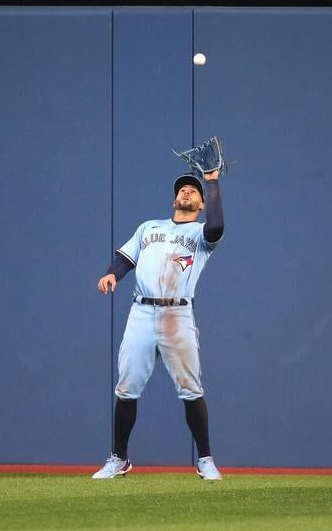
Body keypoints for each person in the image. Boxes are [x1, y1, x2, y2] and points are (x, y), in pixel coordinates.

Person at [93, 169, 225, 481]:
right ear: (174, 198)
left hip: (177, 316)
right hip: (141, 312)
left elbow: (217, 226)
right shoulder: (149, 228)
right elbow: (127, 258)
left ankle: (205, 460)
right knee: (126, 387)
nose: (187, 193)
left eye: (194, 191)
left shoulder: (200, 235)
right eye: (183, 190)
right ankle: (118, 459)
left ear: (202, 203)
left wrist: (213, 181)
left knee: (191, 388)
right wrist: (113, 273)